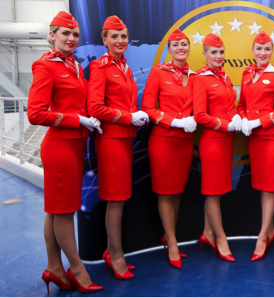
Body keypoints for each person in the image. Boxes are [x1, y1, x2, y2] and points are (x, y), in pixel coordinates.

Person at [28, 11, 103, 294]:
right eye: (65, 34)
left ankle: (54, 268)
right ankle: (78, 269)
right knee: (64, 213)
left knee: (54, 212)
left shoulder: (70, 64)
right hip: (60, 147)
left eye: (75, 35)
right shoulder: (45, 66)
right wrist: (76, 119)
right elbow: (35, 113)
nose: (71, 39)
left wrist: (87, 119)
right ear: (52, 36)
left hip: (72, 146)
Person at [88, 15, 148, 279]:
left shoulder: (124, 66)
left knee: (121, 197)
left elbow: (122, 101)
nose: (120, 41)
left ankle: (114, 251)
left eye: (123, 36)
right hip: (111, 140)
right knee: (115, 198)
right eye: (115, 36)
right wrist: (128, 117)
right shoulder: (100, 67)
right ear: (104, 40)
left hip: (125, 140)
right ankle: (114, 255)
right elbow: (95, 108)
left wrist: (137, 113)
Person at [141, 29, 197, 269]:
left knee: (176, 191)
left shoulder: (195, 77)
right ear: (169, 49)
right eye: (176, 45)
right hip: (164, 139)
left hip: (185, 142)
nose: (181, 48)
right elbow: (147, 109)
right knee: (165, 191)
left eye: (184, 44)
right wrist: (173, 120)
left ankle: (169, 235)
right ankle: (172, 242)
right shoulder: (158, 73)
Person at [238, 31, 274, 261]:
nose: (263, 53)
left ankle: (262, 236)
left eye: (267, 49)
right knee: (262, 187)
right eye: (259, 49)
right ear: (253, 50)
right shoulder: (246, 73)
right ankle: (270, 231)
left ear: (272, 51)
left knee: (269, 187)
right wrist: (242, 118)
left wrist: (259, 121)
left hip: (271, 138)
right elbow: (241, 104)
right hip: (254, 138)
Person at [193, 33, 242, 262]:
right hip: (212, 142)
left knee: (218, 191)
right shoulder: (201, 79)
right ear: (204, 54)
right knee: (213, 193)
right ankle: (221, 239)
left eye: (221, 52)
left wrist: (237, 118)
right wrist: (226, 124)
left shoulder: (225, 77)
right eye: (214, 52)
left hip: (226, 142)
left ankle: (207, 233)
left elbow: (229, 106)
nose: (219, 56)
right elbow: (200, 115)